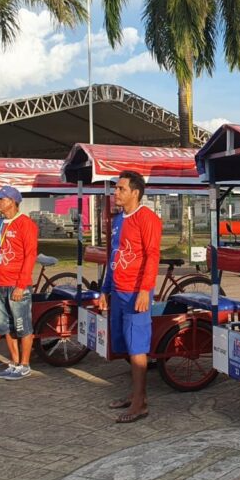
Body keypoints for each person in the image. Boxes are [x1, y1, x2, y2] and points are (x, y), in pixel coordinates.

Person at [100, 170, 161, 423]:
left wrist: (145, 290)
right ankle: (136, 394)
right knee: (123, 345)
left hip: (137, 293)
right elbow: (113, 255)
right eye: (116, 188)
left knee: (137, 348)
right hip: (118, 291)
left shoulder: (147, 219)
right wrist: (105, 289)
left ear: (135, 193)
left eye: (121, 189)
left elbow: (152, 255)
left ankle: (140, 402)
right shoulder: (118, 220)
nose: (116, 193)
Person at [0, 186, 39, 381]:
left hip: (16, 285)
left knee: (22, 326)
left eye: (1, 199)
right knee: (4, 326)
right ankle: (14, 363)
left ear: (12, 201)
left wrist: (21, 285)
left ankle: (25, 365)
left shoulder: (26, 224)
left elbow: (30, 256)